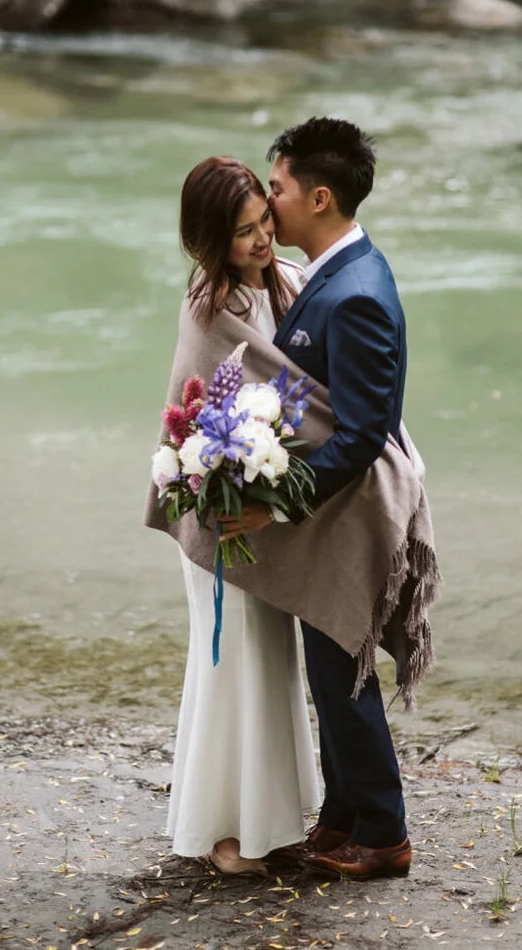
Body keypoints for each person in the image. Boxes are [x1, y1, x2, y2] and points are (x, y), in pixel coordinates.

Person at [222, 117, 420, 880]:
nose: (267, 203)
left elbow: (365, 433)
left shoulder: (356, 292)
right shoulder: (331, 272)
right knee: (327, 672)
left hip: (349, 511)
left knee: (345, 672)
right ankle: (343, 816)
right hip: (328, 509)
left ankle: (385, 833)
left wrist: (274, 504)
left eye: (276, 188)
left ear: (319, 197)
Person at [160, 156, 320, 875]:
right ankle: (223, 831)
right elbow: (190, 413)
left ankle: (272, 819)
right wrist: (229, 481)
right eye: (243, 232)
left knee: (272, 657)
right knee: (230, 658)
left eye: (263, 222)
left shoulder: (290, 282)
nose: (261, 240)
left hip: (267, 507)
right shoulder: (209, 310)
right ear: (209, 240)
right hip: (222, 511)